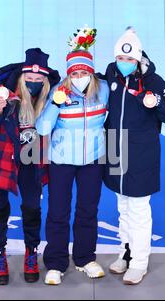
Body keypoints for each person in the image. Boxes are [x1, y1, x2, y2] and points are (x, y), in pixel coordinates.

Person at [102, 27, 165, 285]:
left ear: (138, 59)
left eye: (129, 59)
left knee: (138, 209)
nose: (124, 63)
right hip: (115, 145)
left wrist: (157, 103)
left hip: (142, 151)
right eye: (120, 58)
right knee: (122, 206)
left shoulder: (154, 82)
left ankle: (139, 262)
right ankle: (125, 252)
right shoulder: (111, 73)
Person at [0, 48, 60, 285]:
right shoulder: (1, 95)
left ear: (45, 80)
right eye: (29, 79)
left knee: (32, 208)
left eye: (38, 79)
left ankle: (31, 253)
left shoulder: (50, 100)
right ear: (22, 77)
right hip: (0, 161)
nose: (33, 83)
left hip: (31, 160)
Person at [35, 27, 110, 285]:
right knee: (58, 211)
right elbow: (42, 128)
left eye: (83, 72)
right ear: (69, 74)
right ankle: (55, 263)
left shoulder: (104, 90)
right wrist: (55, 104)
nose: (79, 77)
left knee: (88, 210)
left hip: (92, 160)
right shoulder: (60, 91)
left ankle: (85, 258)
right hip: (62, 161)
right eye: (74, 73)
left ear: (90, 71)